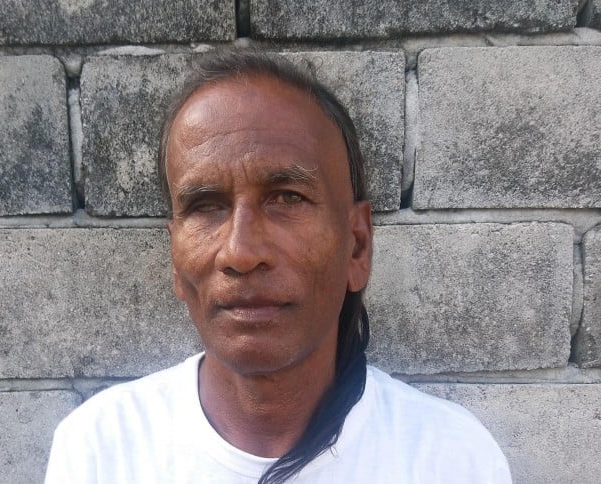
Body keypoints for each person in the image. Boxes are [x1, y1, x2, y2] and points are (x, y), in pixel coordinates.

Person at [45, 49, 512, 484]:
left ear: (356, 246)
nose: (240, 253)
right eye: (205, 206)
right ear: (175, 256)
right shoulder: (100, 451)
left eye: (287, 198)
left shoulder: (451, 459)